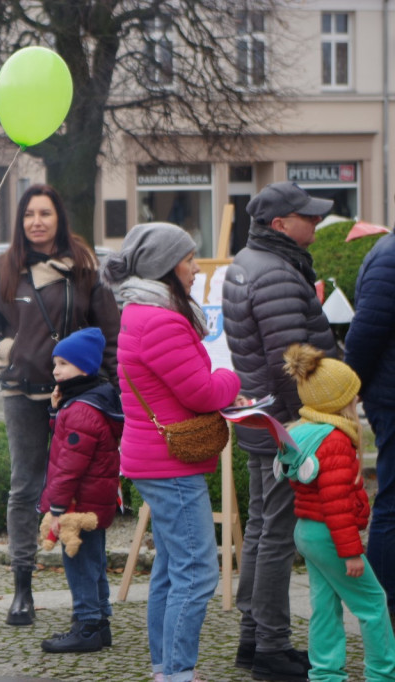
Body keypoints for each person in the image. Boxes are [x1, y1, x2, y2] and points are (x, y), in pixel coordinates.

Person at [0, 183, 120, 626]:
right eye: (29, 214)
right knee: (25, 486)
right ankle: (22, 587)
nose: (37, 222)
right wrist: (5, 349)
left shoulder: (85, 267)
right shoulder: (3, 269)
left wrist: (110, 387)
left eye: (45, 213)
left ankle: (89, 598)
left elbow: (110, 330)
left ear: (59, 218)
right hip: (22, 390)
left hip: (80, 395)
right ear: (20, 221)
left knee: (81, 486)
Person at [103, 222, 244, 682]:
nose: (196, 266)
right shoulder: (161, 319)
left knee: (170, 569)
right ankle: (178, 672)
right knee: (199, 572)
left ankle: (166, 667)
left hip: (156, 460)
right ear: (166, 266)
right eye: (189, 258)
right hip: (171, 466)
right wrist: (234, 380)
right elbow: (203, 392)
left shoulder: (141, 312)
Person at [222, 180, 336, 681]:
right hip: (286, 423)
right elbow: (296, 361)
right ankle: (270, 647)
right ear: (279, 225)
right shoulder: (278, 274)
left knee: (262, 529)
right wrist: (316, 422)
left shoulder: (249, 262)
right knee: (276, 536)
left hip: (258, 416)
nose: (315, 222)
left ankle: (254, 637)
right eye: (306, 216)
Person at [279, 344, 395, 679]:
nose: (356, 401)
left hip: (308, 531)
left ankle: (326, 674)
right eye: (352, 396)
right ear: (338, 401)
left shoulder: (304, 432)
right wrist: (352, 553)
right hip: (331, 534)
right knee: (373, 604)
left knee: (325, 606)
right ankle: (382, 673)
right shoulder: (336, 441)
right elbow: (337, 503)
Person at [36, 327, 123, 654]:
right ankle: (99, 623)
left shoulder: (82, 410)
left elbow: (68, 464)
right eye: (55, 363)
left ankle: (87, 625)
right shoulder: (92, 401)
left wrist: (57, 508)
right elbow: (69, 442)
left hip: (77, 505)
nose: (55, 370)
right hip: (93, 503)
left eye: (63, 364)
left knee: (79, 562)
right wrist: (57, 411)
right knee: (93, 561)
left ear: (84, 367)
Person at [342, 228, 395, 630]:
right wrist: (351, 388)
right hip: (391, 398)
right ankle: (382, 611)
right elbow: (366, 333)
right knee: (392, 505)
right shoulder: (389, 256)